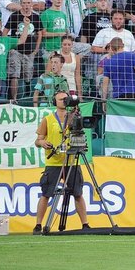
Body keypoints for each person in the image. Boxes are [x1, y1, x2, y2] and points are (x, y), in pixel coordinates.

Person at [32, 90, 90, 233]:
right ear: (54, 102)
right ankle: (38, 224)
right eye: (61, 99)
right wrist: (43, 142)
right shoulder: (48, 119)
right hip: (54, 162)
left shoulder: (74, 117)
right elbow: (38, 140)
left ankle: (85, 224)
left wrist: (76, 114)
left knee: (78, 193)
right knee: (46, 194)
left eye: (66, 99)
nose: (64, 101)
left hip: (72, 160)